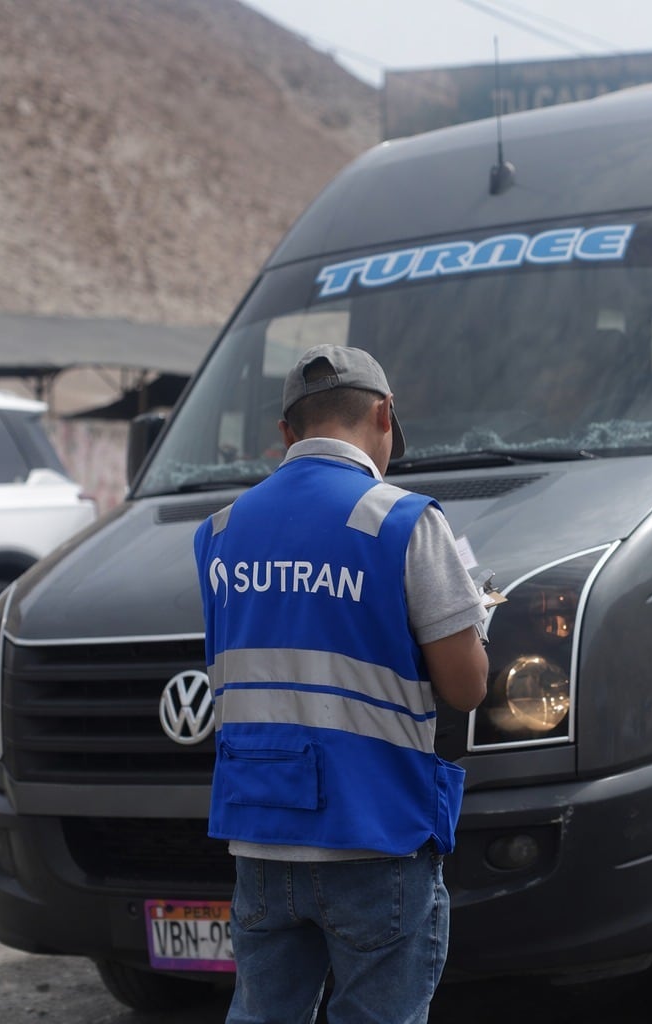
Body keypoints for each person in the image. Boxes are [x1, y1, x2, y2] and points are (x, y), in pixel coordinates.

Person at [193, 344, 489, 1024]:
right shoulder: (401, 520)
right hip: (373, 834)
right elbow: (466, 687)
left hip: (261, 837)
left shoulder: (222, 532)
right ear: (384, 415)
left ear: (287, 433)